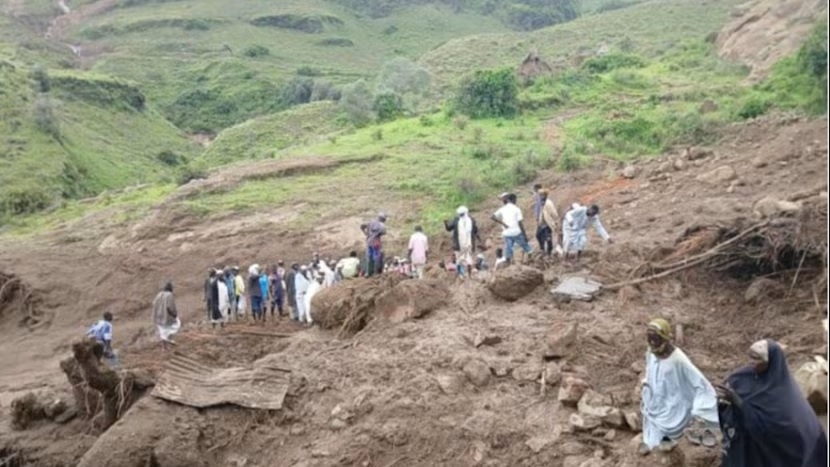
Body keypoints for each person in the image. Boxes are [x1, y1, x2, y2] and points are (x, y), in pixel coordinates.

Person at [716, 339, 828, 467]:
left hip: (772, 452)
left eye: (757, 359)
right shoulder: (744, 375)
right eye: (750, 357)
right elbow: (729, 389)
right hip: (746, 445)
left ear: (770, 363)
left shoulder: (782, 394)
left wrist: (739, 402)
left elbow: (773, 428)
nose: (751, 363)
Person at [639, 318, 719, 455]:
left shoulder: (678, 360)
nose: (652, 342)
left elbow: (700, 384)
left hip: (676, 403)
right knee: (652, 418)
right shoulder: (651, 352)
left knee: (672, 420)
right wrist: (647, 383)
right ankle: (655, 441)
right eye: (649, 338)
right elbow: (650, 368)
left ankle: (670, 438)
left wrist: (699, 408)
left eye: (655, 338)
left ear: (664, 338)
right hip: (658, 399)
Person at [491, 193, 532, 265]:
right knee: (525, 245)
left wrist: (503, 224)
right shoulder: (516, 209)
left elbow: (492, 217)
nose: (516, 201)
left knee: (508, 247)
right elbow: (520, 223)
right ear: (513, 200)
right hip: (516, 232)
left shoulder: (502, 209)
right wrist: (524, 235)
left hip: (507, 233)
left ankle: (508, 263)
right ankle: (531, 258)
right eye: (515, 200)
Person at [444, 206, 482, 277]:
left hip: (458, 245)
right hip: (469, 244)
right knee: (469, 259)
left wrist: (445, 222)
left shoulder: (456, 220)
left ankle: (460, 275)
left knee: (459, 260)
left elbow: (448, 228)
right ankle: (469, 275)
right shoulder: (471, 220)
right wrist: (479, 239)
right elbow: (475, 231)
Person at [153, 281, 180, 351]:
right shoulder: (169, 295)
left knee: (162, 332)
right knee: (173, 327)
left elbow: (154, 304)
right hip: (167, 317)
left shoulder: (159, 294)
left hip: (159, 317)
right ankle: (169, 341)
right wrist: (174, 314)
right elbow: (170, 307)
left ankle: (164, 347)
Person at [360, 213, 387, 277]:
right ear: (383, 219)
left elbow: (362, 226)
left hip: (369, 242)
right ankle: (375, 272)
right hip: (376, 242)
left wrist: (366, 233)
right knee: (376, 257)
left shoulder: (370, 222)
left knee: (369, 257)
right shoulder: (382, 225)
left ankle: (368, 272)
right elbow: (383, 233)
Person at [536, 189, 561, 257]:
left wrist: (556, 221)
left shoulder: (548, 203)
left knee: (548, 238)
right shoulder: (542, 202)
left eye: (542, 195)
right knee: (538, 235)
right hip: (542, 223)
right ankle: (542, 249)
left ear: (546, 195)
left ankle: (549, 252)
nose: (540, 196)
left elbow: (554, 213)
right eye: (540, 195)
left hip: (548, 223)